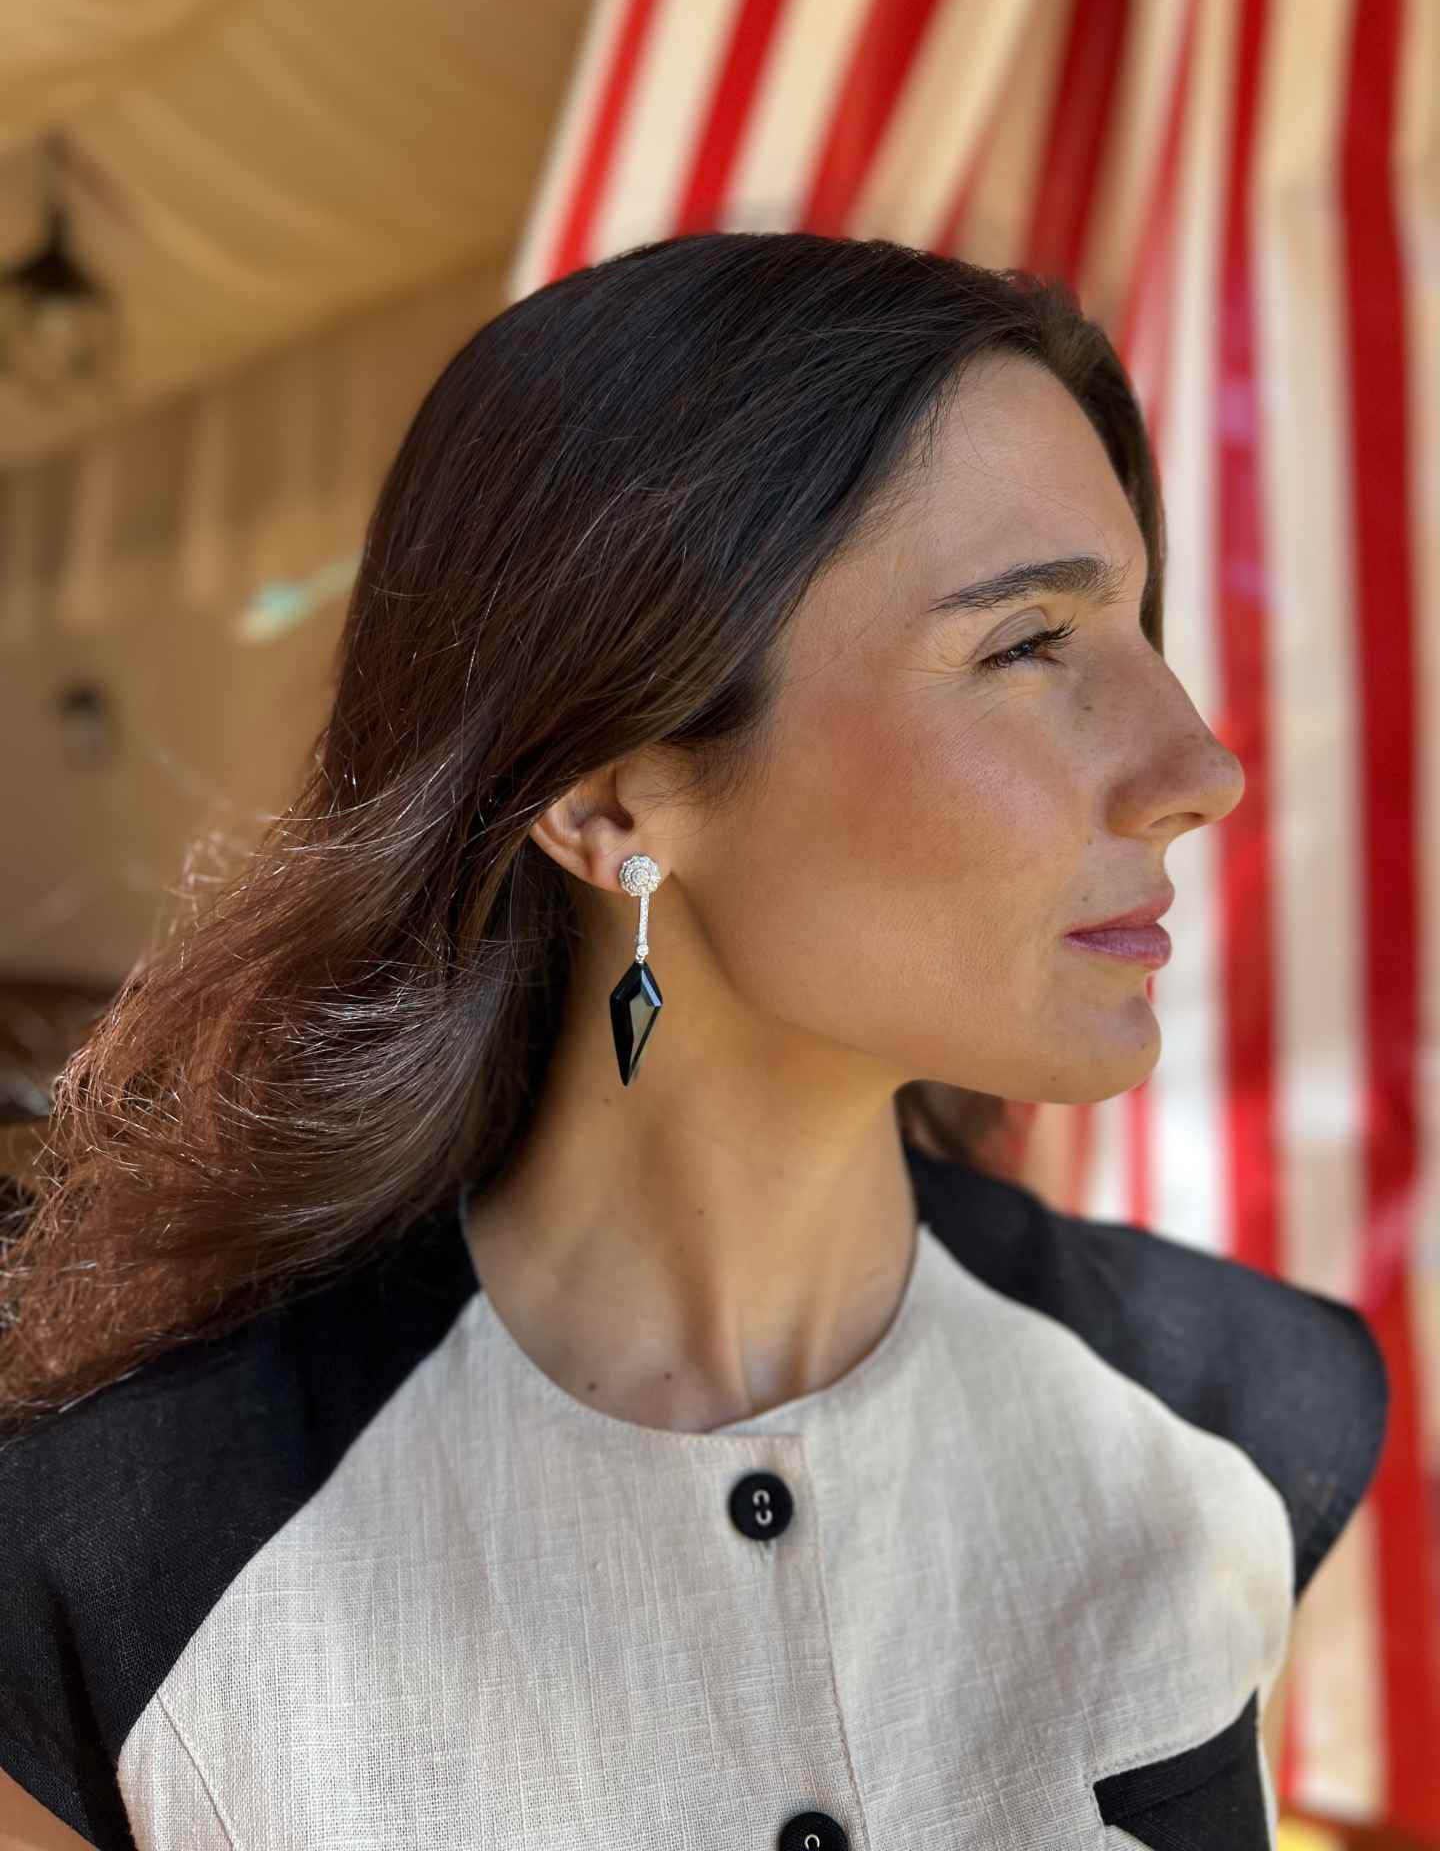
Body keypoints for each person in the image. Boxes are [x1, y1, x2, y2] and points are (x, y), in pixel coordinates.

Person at [0, 232, 1388, 1851]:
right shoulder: (119, 1568)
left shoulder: (1239, 1414)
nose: (1200, 766)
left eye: (1143, 626)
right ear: (608, 802)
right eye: (1027, 644)